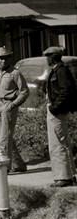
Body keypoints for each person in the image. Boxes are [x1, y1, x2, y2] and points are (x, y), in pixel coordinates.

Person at [0, 46, 29, 173]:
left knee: (5, 137)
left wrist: (13, 105)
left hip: (9, 105)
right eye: (1, 59)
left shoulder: (15, 73)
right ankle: (19, 165)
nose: (3, 61)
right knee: (3, 136)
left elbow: (24, 92)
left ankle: (5, 166)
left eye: (6, 58)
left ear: (9, 59)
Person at [43, 46, 77, 187]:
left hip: (58, 112)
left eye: (48, 56)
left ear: (54, 57)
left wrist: (54, 107)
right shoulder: (58, 70)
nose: (46, 59)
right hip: (57, 110)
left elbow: (66, 91)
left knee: (58, 144)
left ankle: (64, 177)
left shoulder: (61, 71)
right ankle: (68, 175)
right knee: (60, 142)